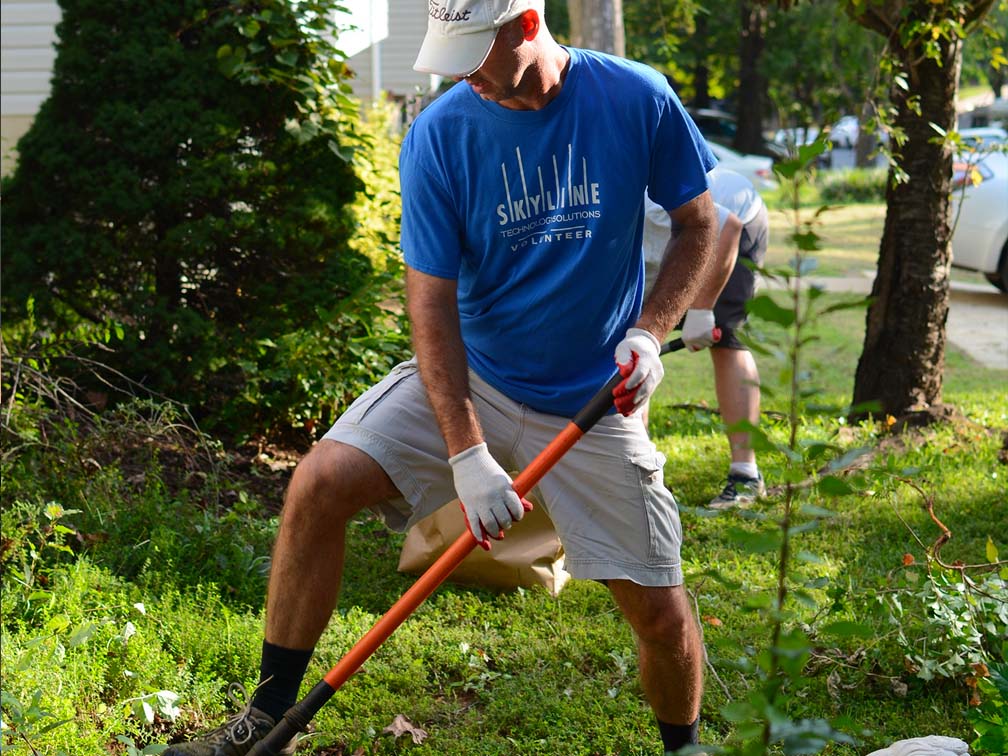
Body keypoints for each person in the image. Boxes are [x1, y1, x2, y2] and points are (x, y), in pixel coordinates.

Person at [164, 2, 725, 755]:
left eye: (474, 51)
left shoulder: (636, 96)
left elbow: (699, 221)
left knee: (659, 610)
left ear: (527, 25)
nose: (464, 74)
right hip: (478, 380)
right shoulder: (442, 133)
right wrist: (465, 452)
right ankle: (264, 718)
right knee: (320, 482)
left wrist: (649, 334)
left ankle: (684, 749)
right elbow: (429, 303)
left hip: (595, 400)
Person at [643, 166, 769, 508]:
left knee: (727, 339)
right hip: (677, 245)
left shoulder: (647, 203)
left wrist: (701, 310)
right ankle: (638, 467)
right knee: (635, 346)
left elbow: (725, 227)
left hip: (732, 227)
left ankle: (746, 475)